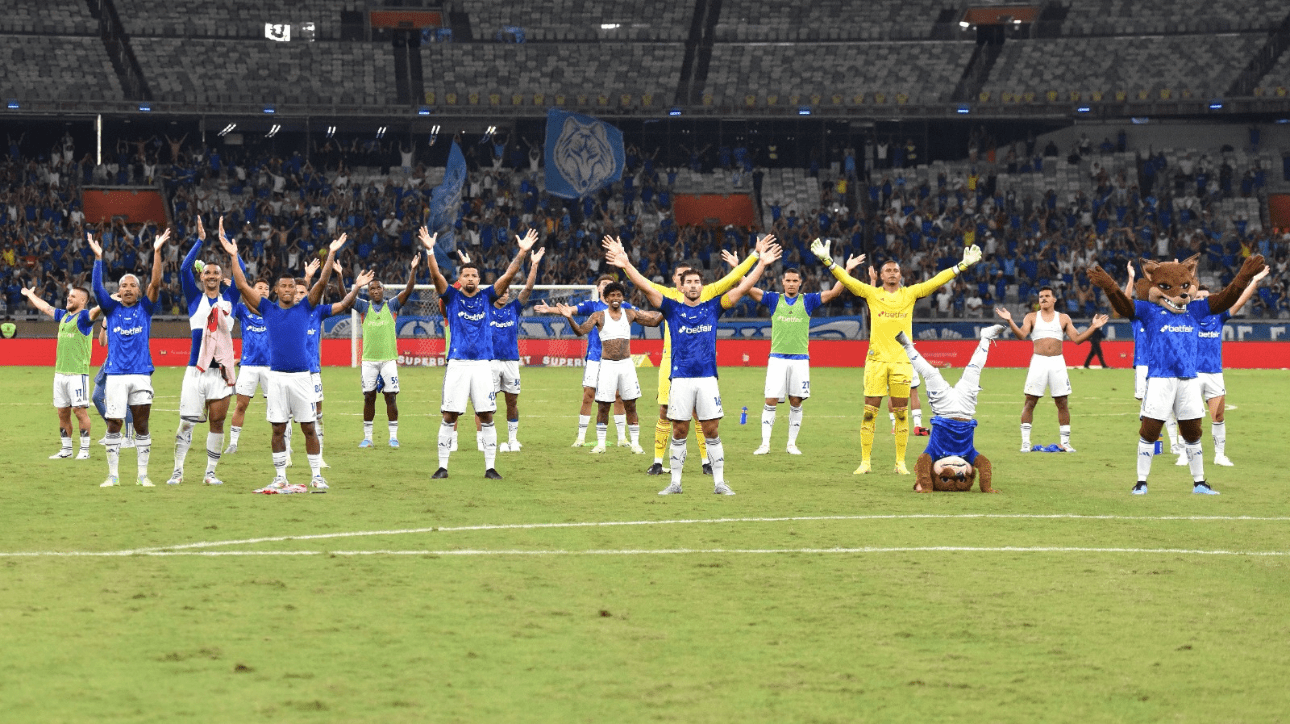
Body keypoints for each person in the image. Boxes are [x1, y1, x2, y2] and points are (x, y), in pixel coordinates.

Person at [605, 236, 780, 495]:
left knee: (712, 430)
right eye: (688, 282)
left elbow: (742, 288)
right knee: (679, 429)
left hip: (708, 379)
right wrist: (626, 265)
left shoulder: (714, 307)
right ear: (681, 286)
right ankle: (675, 483)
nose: (693, 285)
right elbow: (646, 286)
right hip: (680, 379)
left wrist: (761, 263)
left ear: (701, 285)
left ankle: (719, 483)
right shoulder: (672, 308)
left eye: (697, 282)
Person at [1087, 253, 1265, 496]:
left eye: (1184, 287)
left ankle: (1199, 482)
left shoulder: (1196, 309)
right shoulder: (1149, 310)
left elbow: (1226, 299)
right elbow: (1124, 307)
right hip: (1160, 379)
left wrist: (1243, 277)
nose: (1180, 294)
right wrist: (1110, 286)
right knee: (1149, 430)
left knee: (1193, 432)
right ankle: (1141, 482)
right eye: (1169, 287)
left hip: (1189, 379)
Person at [809, 238, 983, 475]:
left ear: (901, 275)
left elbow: (936, 281)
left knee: (901, 414)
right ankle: (865, 462)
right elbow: (848, 281)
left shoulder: (910, 294)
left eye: (896, 270)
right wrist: (827, 261)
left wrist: (961, 266)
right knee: (869, 413)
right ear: (881, 276)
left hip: (902, 362)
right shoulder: (871, 293)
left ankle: (900, 463)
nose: (892, 273)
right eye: (888, 270)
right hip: (876, 361)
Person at [220, 226, 355, 492]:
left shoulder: (306, 307)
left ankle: (316, 475)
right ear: (276, 290)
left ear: (295, 290)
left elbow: (321, 282)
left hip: (302, 377)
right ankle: (280, 476)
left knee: (309, 428)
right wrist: (234, 256)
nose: (287, 289)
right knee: (277, 430)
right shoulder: (267, 309)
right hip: (277, 378)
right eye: (283, 286)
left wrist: (331, 254)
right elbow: (242, 285)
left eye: (291, 286)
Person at [419, 225, 538, 480]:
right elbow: (436, 276)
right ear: (460, 279)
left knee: (486, 415)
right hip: (458, 364)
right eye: (467, 275)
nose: (471, 278)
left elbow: (509, 275)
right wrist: (429, 251)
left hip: (484, 364)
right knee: (449, 415)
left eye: (474, 275)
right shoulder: (451, 297)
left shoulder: (487, 297)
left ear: (479, 279)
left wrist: (522, 253)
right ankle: (442, 467)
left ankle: (490, 468)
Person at [90, 227, 170, 488]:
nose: (127, 289)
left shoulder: (145, 308)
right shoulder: (111, 310)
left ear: (139, 291)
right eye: (123, 285)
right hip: (115, 375)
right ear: (118, 290)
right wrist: (99, 258)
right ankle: (112, 475)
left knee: (141, 425)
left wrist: (156, 252)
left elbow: (155, 283)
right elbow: (97, 288)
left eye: (132, 285)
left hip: (141, 374)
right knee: (113, 424)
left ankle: (142, 475)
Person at [741, 262, 848, 455]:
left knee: (796, 401)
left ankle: (791, 444)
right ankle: (765, 444)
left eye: (794, 281)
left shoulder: (808, 300)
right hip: (777, 358)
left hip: (800, 359)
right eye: (788, 280)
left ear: (800, 283)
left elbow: (834, 292)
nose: (791, 284)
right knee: (770, 400)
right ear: (782, 282)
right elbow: (747, 288)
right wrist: (737, 269)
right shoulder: (774, 299)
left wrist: (846, 271)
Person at [168, 217, 242, 486]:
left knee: (217, 423)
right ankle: (178, 471)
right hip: (195, 372)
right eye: (207, 273)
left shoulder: (230, 299)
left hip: (221, 373)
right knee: (187, 423)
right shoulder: (194, 298)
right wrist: (199, 240)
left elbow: (242, 276)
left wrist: (230, 250)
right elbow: (183, 268)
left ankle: (210, 473)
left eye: (215, 273)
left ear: (221, 277)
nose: (211, 276)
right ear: (202, 276)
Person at [994, 288, 1108, 453]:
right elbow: (1021, 335)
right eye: (1041, 296)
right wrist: (1010, 320)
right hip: (1038, 362)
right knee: (1030, 401)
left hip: (1057, 363)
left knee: (1062, 402)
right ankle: (1025, 443)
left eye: (1047, 296)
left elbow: (1077, 339)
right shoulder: (1031, 317)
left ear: (1054, 299)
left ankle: (1065, 443)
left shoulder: (1063, 318)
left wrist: (1093, 327)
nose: (1043, 299)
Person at [896, 325, 1007, 493]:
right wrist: (987, 488)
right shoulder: (968, 454)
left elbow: (923, 461)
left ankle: (906, 345)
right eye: (961, 477)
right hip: (966, 409)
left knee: (931, 373)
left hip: (943, 409)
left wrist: (926, 486)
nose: (956, 472)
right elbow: (984, 463)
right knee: (974, 369)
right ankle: (985, 338)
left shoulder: (934, 452)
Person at [557, 281, 662, 454]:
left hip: (626, 365)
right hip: (606, 366)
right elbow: (581, 331)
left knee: (631, 405)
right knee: (603, 406)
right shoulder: (598, 316)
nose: (615, 298)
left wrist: (667, 310)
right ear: (606, 298)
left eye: (618, 295)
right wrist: (569, 317)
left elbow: (654, 322)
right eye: (612, 295)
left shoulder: (630, 314)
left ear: (622, 297)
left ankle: (635, 444)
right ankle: (601, 444)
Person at [534, 275, 633, 448]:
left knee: (618, 396)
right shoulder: (592, 306)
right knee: (588, 396)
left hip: (616, 359)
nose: (607, 286)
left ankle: (622, 438)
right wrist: (550, 309)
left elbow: (642, 314)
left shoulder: (624, 307)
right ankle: (580, 438)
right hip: (595, 357)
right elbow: (569, 310)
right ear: (599, 289)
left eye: (610, 284)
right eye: (604, 284)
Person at [1191, 269, 1267, 466]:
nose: (1201, 300)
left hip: (1214, 373)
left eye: (1205, 297)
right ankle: (1185, 454)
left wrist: (1254, 281)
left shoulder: (1218, 316)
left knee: (1218, 416)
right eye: (1198, 297)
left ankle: (1219, 455)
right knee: (1188, 417)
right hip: (1191, 374)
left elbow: (1239, 302)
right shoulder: (1187, 316)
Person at [21, 283, 100, 460]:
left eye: (73, 296)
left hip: (77, 374)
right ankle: (66, 450)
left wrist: (106, 301)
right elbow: (45, 307)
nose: (68, 298)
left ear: (83, 301)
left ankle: (84, 450)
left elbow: (95, 311)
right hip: (60, 374)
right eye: (69, 295)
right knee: (62, 412)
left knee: (79, 412)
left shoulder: (84, 317)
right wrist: (30, 295)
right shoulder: (64, 315)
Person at [352, 254, 420, 449]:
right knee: (369, 397)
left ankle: (393, 437)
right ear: (368, 292)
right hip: (369, 361)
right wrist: (349, 282)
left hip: (389, 360)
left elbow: (408, 290)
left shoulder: (392, 305)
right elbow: (346, 299)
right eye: (371, 288)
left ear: (383, 289)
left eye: (378, 288)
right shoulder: (364, 307)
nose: (375, 291)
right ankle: (368, 438)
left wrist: (413, 270)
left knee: (391, 397)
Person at [483, 246, 544, 452]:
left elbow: (528, 289)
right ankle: (489, 440)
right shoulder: (486, 308)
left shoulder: (513, 309)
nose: (504, 294)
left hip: (510, 361)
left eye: (507, 292)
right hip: (491, 362)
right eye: (501, 291)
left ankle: (512, 440)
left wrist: (534, 265)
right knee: (488, 404)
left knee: (512, 401)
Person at [223, 278, 272, 454]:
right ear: (252, 290)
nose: (263, 290)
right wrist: (234, 288)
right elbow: (228, 305)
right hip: (248, 366)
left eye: (266, 288)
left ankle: (285, 444)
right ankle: (233, 444)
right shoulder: (243, 310)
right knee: (241, 405)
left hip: (270, 367)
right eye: (259, 287)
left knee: (278, 407)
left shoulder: (273, 310)